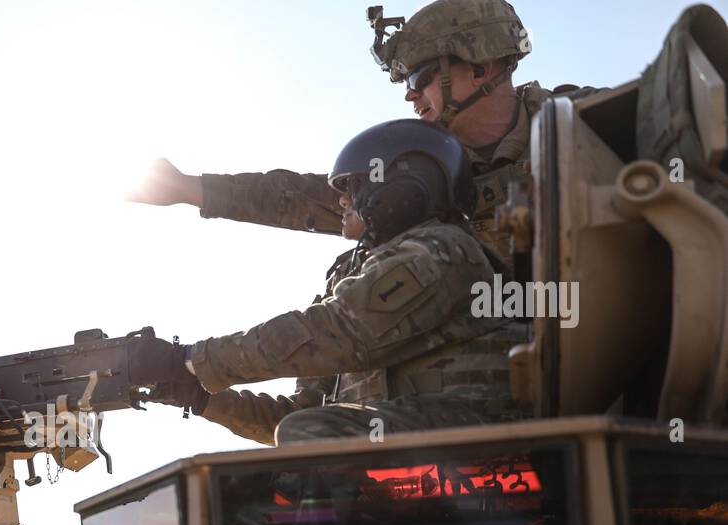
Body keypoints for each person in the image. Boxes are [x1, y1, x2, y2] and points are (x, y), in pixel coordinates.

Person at [127, 0, 593, 266]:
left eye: (419, 79)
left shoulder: (586, 123)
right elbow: (304, 196)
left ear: (480, 66)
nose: (410, 98)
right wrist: (192, 189)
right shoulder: (421, 171)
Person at [149, 119, 526, 445]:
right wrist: (199, 398)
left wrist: (192, 359)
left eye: (352, 187)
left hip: (473, 443)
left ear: (403, 189)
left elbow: (336, 332)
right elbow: (294, 419)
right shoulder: (358, 271)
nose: (342, 202)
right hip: (413, 448)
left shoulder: (444, 250)